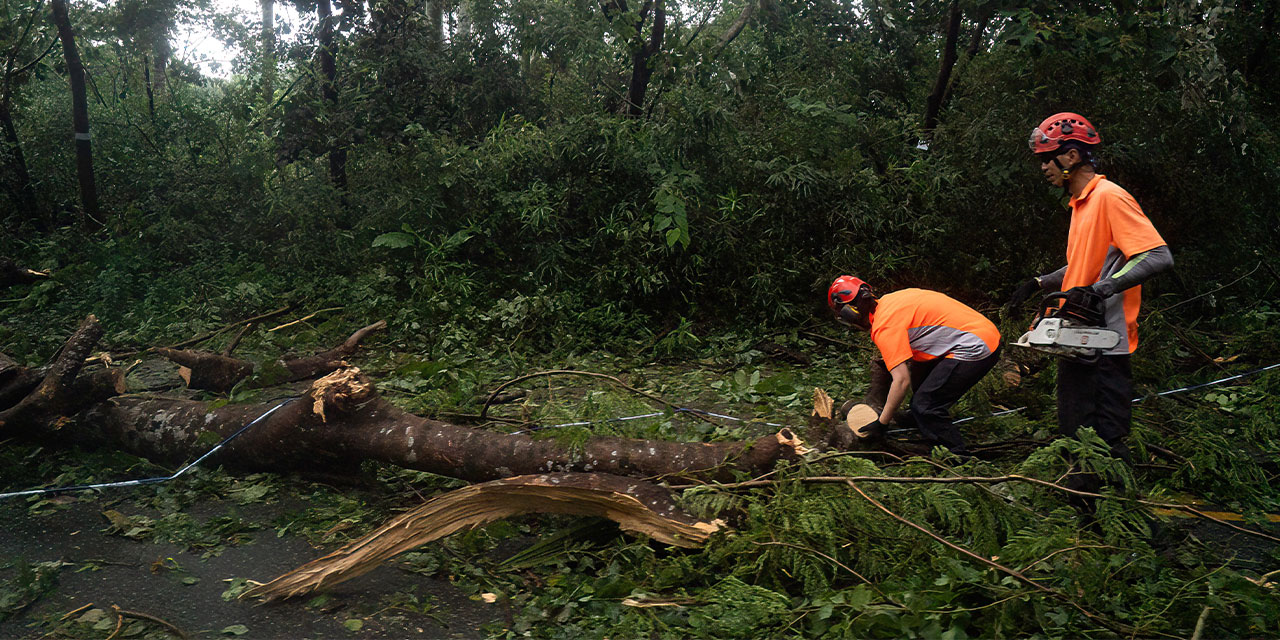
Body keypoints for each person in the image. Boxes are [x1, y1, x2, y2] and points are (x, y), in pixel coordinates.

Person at [1007, 112, 1173, 461]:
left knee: (1104, 439)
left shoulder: (1110, 197)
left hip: (1104, 343)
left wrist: (1102, 290)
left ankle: (1111, 507)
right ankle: (1085, 505)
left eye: (1045, 158)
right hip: (1078, 335)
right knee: (1075, 430)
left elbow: (1158, 255)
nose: (1042, 167)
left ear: (1071, 156)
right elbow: (1086, 261)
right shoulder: (1083, 204)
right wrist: (1039, 282)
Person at [828, 275, 1001, 456]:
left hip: (976, 346)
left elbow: (901, 381)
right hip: (980, 332)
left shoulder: (885, 326)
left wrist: (882, 423)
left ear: (851, 312)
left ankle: (956, 454)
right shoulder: (888, 302)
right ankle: (919, 418)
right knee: (920, 387)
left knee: (925, 405)